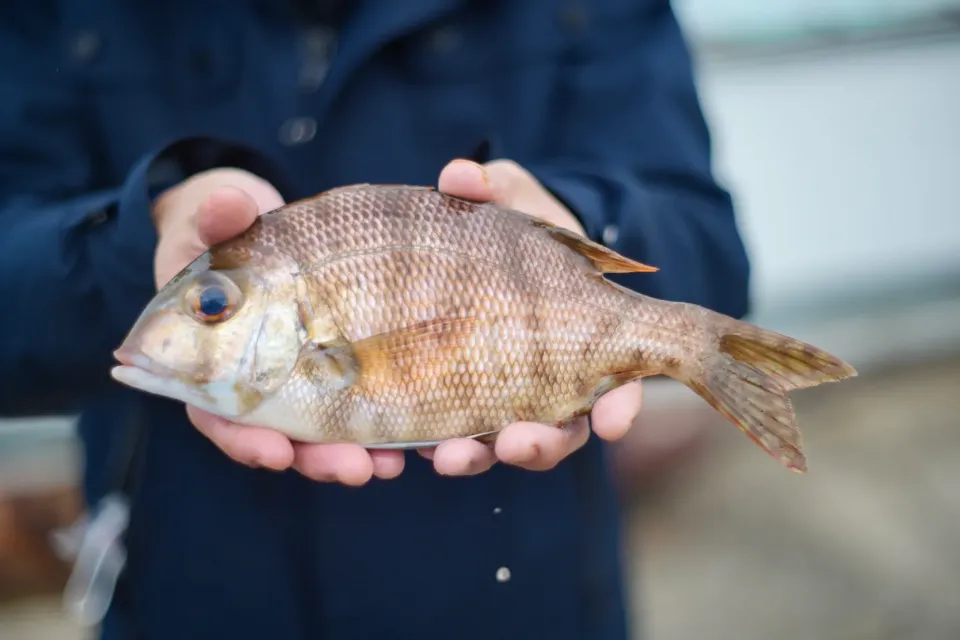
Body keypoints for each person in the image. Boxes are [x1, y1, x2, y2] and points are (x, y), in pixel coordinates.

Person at [0, 1, 750, 638]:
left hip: (516, 599)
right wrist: (144, 234)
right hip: (188, 594)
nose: (195, 322)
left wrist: (587, 230)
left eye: (213, 306)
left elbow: (709, 244)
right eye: (214, 307)